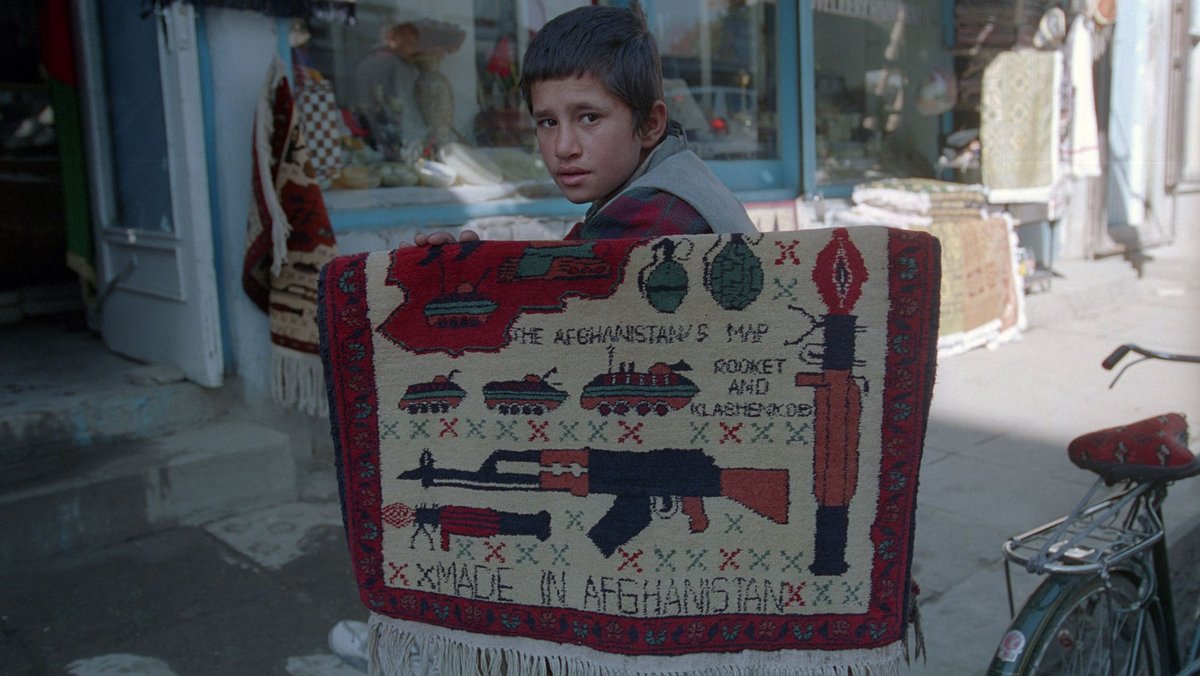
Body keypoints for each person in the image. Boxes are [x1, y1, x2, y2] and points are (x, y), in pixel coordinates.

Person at [328, 4, 756, 671]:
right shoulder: (658, 186)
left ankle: (432, 617)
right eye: (546, 123)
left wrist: (460, 284)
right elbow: (574, 274)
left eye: (589, 118)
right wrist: (476, 267)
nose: (563, 146)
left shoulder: (656, 213)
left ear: (651, 123)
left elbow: (564, 309)